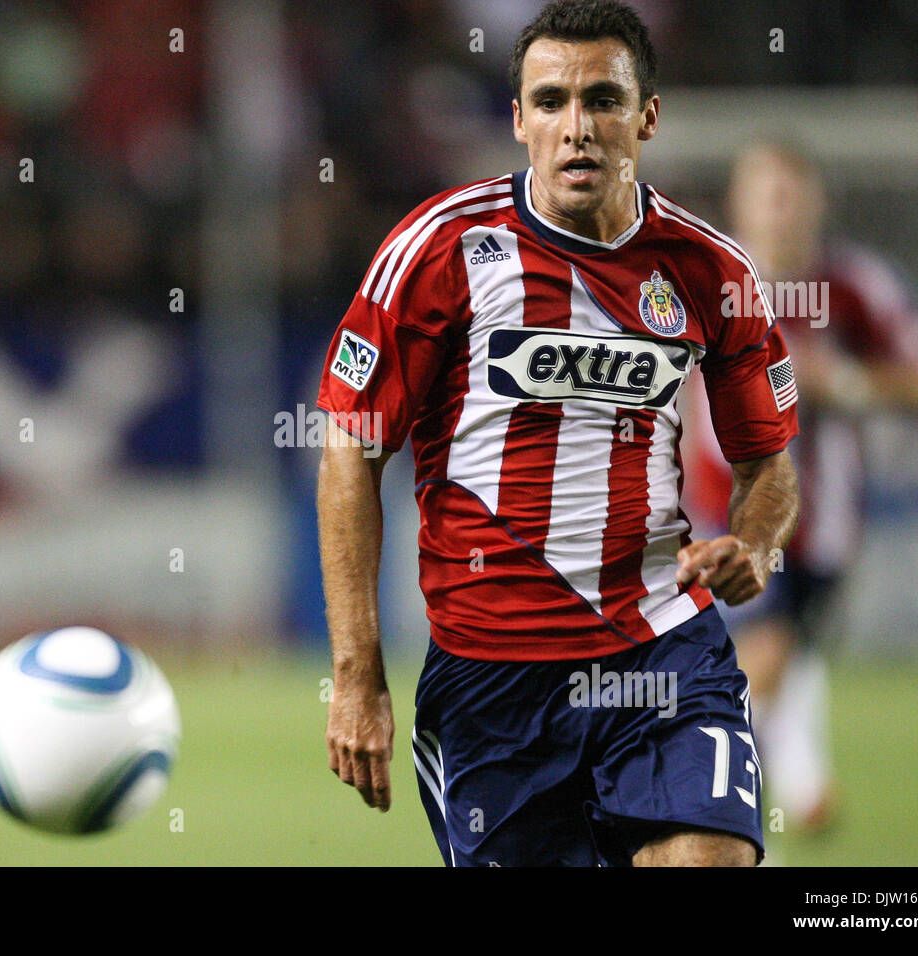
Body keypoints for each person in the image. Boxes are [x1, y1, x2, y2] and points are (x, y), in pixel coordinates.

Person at [315, 0, 800, 867]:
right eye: (550, 102)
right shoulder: (439, 251)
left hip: (664, 650)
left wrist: (754, 545)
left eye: (602, 100)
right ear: (517, 121)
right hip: (493, 678)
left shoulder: (712, 271)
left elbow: (770, 462)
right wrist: (355, 675)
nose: (576, 129)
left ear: (647, 116)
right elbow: (351, 449)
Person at [679, 139, 918, 834]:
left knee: (785, 654)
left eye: (791, 192)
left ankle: (780, 784)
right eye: (764, 190)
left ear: (818, 201)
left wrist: (844, 383)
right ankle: (739, 800)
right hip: (718, 510)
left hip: (825, 524)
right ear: (739, 201)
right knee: (763, 653)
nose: (778, 207)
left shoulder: (854, 285)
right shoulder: (703, 278)